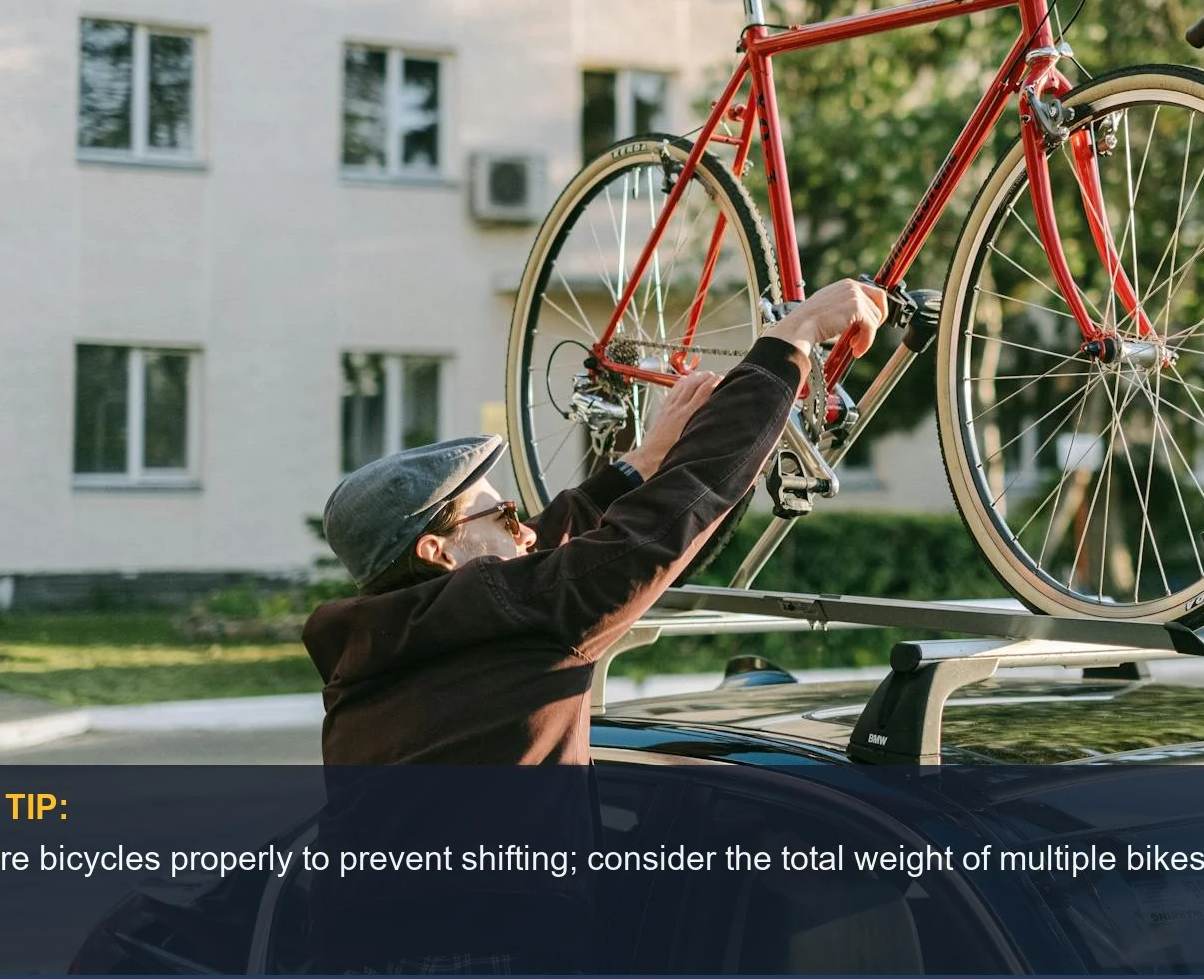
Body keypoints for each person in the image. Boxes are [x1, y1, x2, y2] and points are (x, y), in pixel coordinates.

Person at [302, 279, 889, 766]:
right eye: (504, 514)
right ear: (437, 551)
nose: (526, 528)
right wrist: (792, 337)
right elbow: (679, 508)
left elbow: (544, 562)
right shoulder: (508, 612)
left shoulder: (375, 659)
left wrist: (638, 464)